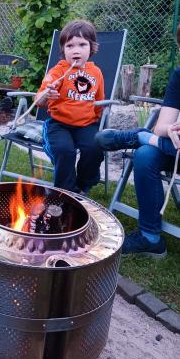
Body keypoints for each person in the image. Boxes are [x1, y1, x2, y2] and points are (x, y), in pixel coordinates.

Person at [95, 27, 180, 258]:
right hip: (175, 149)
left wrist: (152, 137)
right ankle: (151, 237)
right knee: (145, 156)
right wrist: (171, 129)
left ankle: (139, 136)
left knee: (145, 144)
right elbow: (162, 126)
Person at [35, 19, 105, 194]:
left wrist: (96, 121)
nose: (76, 50)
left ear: (92, 48)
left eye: (82, 44)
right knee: (65, 151)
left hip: (86, 124)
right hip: (59, 124)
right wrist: (47, 94)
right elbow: (39, 101)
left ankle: (83, 186)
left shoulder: (96, 72)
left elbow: (99, 100)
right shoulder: (58, 72)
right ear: (63, 50)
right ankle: (65, 192)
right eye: (70, 46)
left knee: (95, 147)